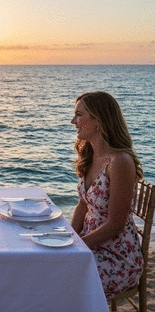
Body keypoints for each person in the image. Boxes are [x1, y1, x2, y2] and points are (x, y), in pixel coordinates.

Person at [70, 91, 143, 301]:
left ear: (98, 120)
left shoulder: (120, 162)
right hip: (90, 244)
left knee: (60, 278)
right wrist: (70, 239)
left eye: (79, 115)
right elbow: (82, 206)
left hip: (116, 257)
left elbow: (115, 224)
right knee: (49, 267)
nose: (73, 121)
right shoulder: (91, 155)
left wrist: (77, 246)